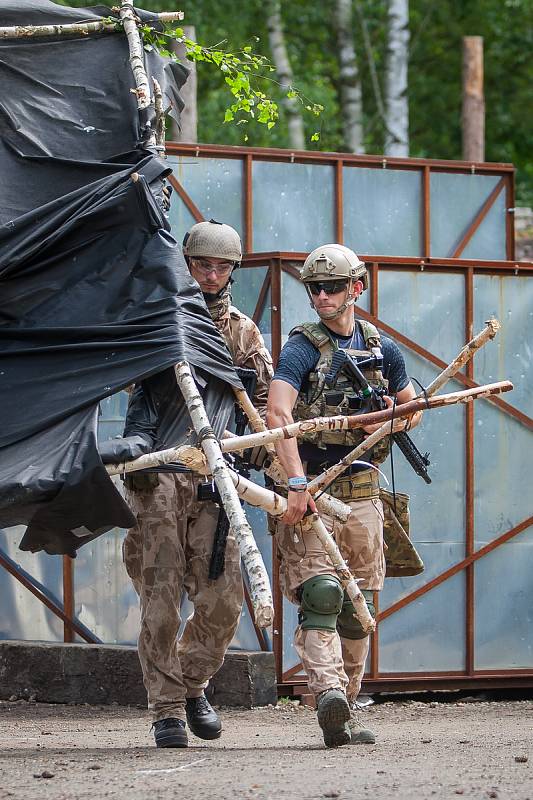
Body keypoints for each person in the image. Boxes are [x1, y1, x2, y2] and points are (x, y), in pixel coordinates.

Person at [123, 220, 273, 748]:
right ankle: (166, 708)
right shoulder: (159, 317)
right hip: (160, 472)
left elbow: (258, 412)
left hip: (218, 480)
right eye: (202, 265)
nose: (211, 275)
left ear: (233, 271)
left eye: (221, 267)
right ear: (185, 264)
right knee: (160, 599)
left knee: (225, 600)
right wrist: (137, 449)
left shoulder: (243, 334)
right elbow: (132, 388)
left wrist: (266, 460)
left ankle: (191, 685)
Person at [266, 243, 423, 748]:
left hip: (363, 494)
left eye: (332, 286)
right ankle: (328, 692)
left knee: (357, 608)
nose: (321, 296)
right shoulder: (301, 348)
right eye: (314, 287)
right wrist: (294, 481)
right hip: (315, 491)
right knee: (321, 595)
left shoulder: (381, 347)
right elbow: (278, 414)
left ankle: (347, 710)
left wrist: (391, 412)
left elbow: (412, 406)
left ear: (356, 287)